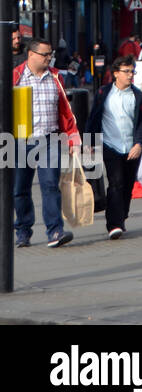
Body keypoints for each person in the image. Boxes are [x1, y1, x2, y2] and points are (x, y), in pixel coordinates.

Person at [12, 37, 80, 248]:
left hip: (49, 138)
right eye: (45, 54)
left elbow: (65, 111)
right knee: (19, 189)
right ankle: (23, 231)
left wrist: (72, 136)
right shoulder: (16, 76)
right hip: (20, 140)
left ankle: (55, 231)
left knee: (50, 184)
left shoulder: (56, 77)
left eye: (50, 54)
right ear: (31, 54)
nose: (49, 58)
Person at [87, 56, 142, 239]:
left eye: (132, 71)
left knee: (128, 185)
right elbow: (94, 118)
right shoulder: (103, 93)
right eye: (126, 71)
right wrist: (89, 142)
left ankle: (121, 216)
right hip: (110, 145)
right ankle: (114, 224)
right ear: (115, 74)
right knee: (116, 183)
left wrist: (139, 143)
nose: (130, 75)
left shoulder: (138, 96)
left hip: (131, 147)